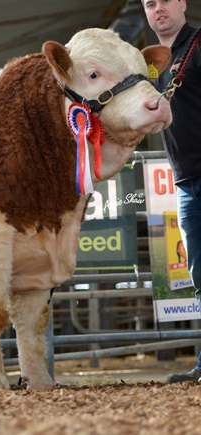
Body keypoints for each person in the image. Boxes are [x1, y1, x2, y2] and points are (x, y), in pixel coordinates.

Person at [142, 0, 201, 383]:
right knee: (200, 275)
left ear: (181, 3)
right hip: (185, 182)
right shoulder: (154, 64)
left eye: (165, 0)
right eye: (150, 3)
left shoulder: (198, 44)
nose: (158, 8)